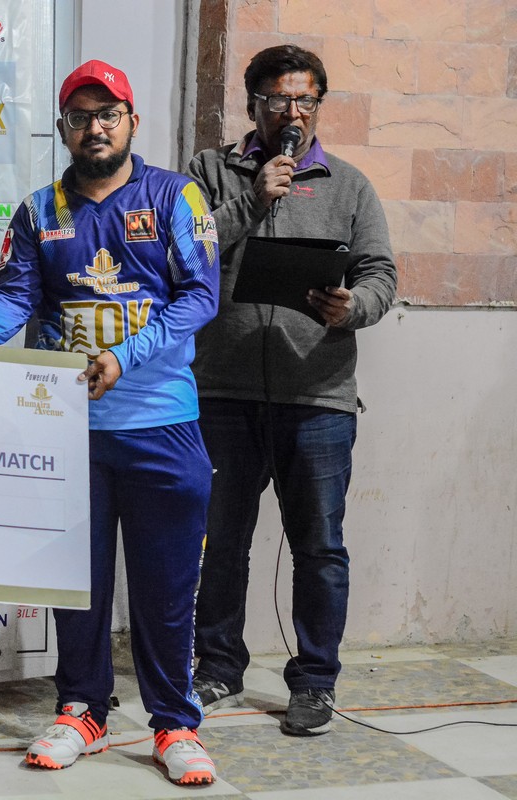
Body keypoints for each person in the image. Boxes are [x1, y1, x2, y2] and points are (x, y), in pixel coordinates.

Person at [0, 60, 219, 786]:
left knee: (165, 590)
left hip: (161, 425)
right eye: (80, 116)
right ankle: (82, 711)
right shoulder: (40, 210)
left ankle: (175, 724)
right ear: (62, 127)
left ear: (132, 121)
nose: (95, 128)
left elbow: (199, 297)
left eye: (108, 114)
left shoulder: (175, 196)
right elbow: (14, 298)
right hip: (66, 432)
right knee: (76, 586)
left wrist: (125, 355)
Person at [185, 44, 396, 736]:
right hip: (223, 391)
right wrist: (253, 199)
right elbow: (185, 249)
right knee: (221, 542)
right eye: (279, 100)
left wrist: (352, 307)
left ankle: (314, 682)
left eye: (306, 100)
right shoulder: (210, 171)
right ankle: (218, 666)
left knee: (320, 546)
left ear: (318, 106)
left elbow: (380, 276)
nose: (293, 113)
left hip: (319, 396)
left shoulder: (349, 185)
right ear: (254, 105)